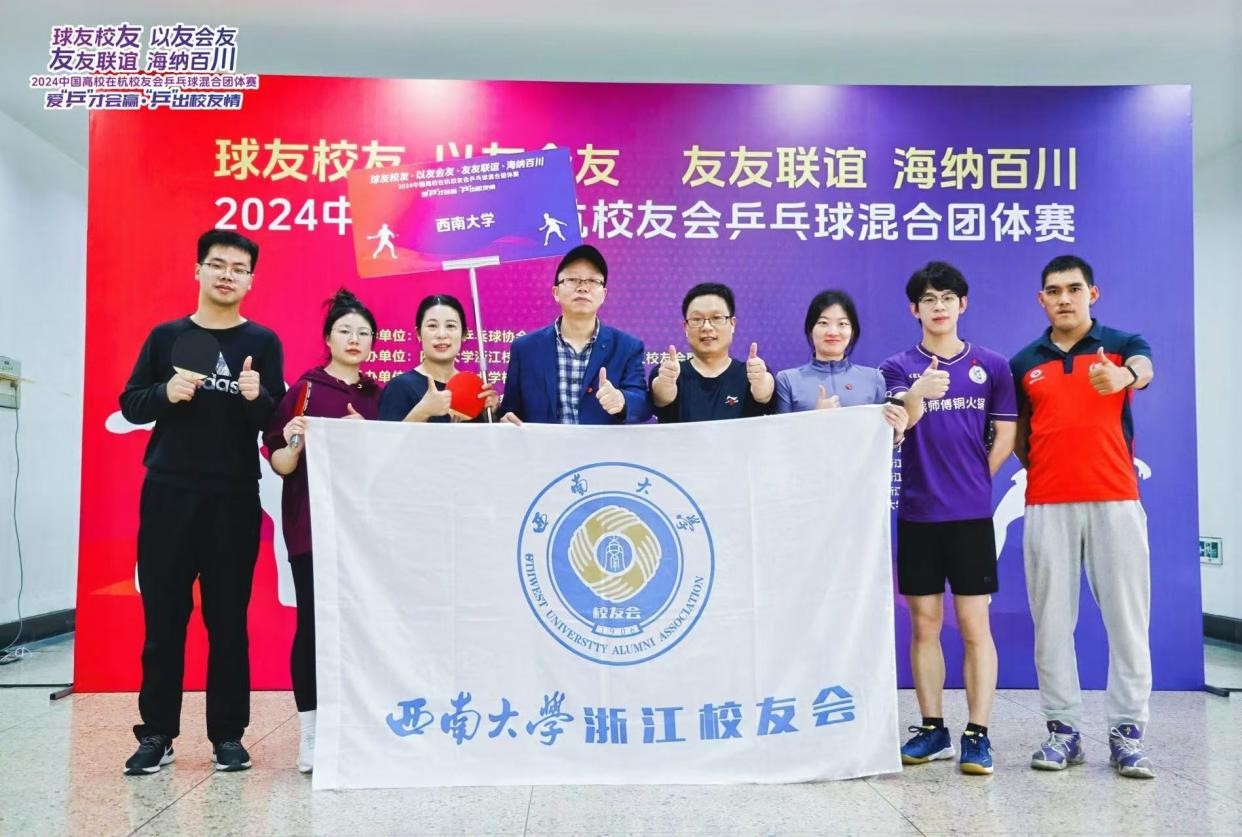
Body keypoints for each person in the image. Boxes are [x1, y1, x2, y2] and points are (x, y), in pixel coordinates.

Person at [119, 229, 285, 775]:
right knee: (164, 620)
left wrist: (259, 398)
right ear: (198, 270)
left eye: (239, 269)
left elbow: (275, 422)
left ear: (251, 280)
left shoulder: (262, 342)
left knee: (228, 621)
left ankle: (228, 736)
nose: (227, 275)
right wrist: (164, 393)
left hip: (233, 497)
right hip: (168, 492)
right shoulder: (166, 336)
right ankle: (158, 734)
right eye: (217, 265)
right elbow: (132, 402)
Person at [1010, 254, 1156, 779]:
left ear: (1092, 293)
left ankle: (1127, 733)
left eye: (1074, 289)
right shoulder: (1024, 362)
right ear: (1041, 300)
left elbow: (1145, 369)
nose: (1064, 299)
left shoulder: (1121, 344)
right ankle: (1063, 731)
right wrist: (1048, 468)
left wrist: (1124, 376)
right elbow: (1019, 434)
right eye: (1054, 291)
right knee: (1051, 624)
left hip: (1115, 499)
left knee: (1127, 621)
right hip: (1047, 503)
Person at [879, 262, 1017, 775]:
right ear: (914, 309)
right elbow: (897, 426)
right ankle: (932, 728)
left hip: (971, 516)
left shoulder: (992, 366)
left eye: (947, 298)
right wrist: (919, 392)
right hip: (918, 514)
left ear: (963, 305)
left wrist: (977, 479)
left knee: (975, 625)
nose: (939, 306)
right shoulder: (896, 367)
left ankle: (977, 734)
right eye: (929, 299)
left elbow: (1005, 434)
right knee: (924, 625)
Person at [264, 289, 383, 774]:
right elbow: (280, 463)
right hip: (312, 527)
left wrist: (367, 438)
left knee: (365, 627)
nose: (355, 339)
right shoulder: (305, 391)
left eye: (363, 333)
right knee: (313, 626)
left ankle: (358, 725)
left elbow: (393, 463)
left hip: (366, 534)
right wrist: (295, 443)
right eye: (345, 331)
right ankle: (311, 733)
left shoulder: (378, 396)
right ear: (328, 338)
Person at [499, 244, 648, 425]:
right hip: (543, 444)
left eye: (593, 281)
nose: (583, 288)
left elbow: (643, 405)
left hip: (604, 444)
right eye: (572, 279)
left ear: (603, 295)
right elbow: (510, 411)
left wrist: (622, 401)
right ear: (556, 292)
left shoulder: (627, 347)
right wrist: (506, 420)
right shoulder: (525, 348)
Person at [774, 289, 908, 438]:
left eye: (842, 324)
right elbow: (780, 441)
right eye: (823, 323)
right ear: (811, 330)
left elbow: (877, 441)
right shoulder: (788, 380)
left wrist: (896, 436)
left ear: (852, 331)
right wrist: (814, 420)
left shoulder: (873, 379)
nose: (832, 332)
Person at [649, 282, 775, 422]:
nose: (707, 327)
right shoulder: (668, 374)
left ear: (732, 324)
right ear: (685, 327)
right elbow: (661, 397)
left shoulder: (753, 373)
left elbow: (764, 395)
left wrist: (761, 386)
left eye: (716, 318)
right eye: (697, 319)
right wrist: (665, 387)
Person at [377, 294, 498, 423]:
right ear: (418, 334)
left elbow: (487, 435)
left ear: (464, 334)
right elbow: (386, 436)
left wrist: (492, 414)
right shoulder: (399, 387)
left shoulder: (475, 391)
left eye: (450, 326)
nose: (441, 334)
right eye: (432, 326)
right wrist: (423, 411)